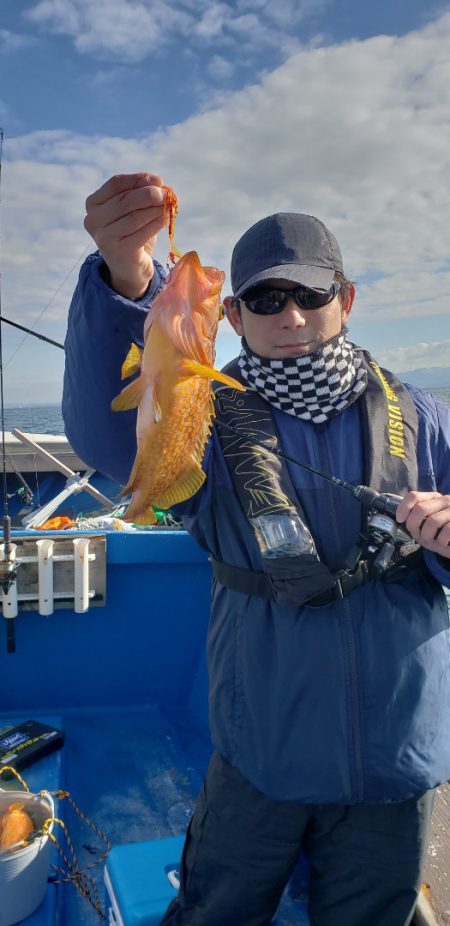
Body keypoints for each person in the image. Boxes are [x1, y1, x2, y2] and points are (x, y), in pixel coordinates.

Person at [63, 172, 450, 926]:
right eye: (268, 299)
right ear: (233, 316)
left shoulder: (425, 417)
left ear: (347, 299)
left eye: (311, 294)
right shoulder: (200, 404)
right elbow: (105, 433)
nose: (293, 315)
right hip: (261, 746)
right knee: (219, 909)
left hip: (395, 753)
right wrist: (125, 279)